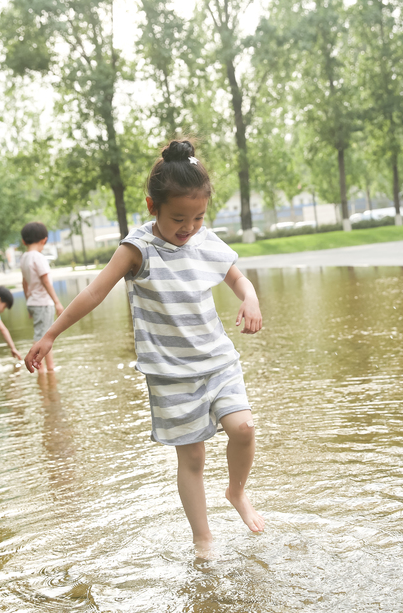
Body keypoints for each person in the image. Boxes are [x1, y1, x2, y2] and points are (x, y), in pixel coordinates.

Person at [24, 140, 265, 555]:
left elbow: (238, 278)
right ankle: (202, 538)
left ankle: (236, 492)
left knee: (243, 428)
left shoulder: (205, 240)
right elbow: (95, 293)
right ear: (152, 205)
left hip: (217, 361)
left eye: (198, 217)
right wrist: (51, 333)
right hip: (170, 373)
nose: (188, 227)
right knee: (191, 459)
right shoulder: (138, 248)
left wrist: (251, 296)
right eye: (178, 218)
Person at [20, 221, 65, 373]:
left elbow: (24, 283)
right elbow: (46, 281)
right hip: (43, 303)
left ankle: (47, 367)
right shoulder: (38, 258)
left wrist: (28, 303)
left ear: (23, 241)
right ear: (44, 240)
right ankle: (44, 369)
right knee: (44, 337)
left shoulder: (24, 258)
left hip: (33, 302)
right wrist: (57, 302)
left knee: (44, 335)